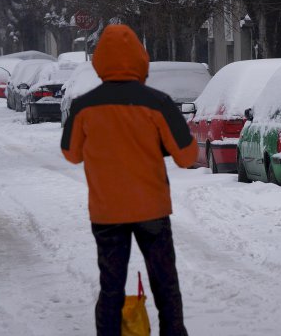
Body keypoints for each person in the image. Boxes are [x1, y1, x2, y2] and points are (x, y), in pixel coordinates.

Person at [61, 24, 196, 336]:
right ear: (140, 58)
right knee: (165, 286)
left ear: (100, 61)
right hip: (152, 210)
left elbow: (71, 153)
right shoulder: (157, 103)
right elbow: (187, 156)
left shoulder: (84, 106)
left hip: (107, 212)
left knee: (111, 288)